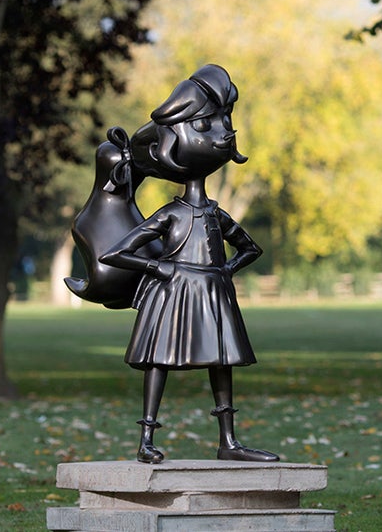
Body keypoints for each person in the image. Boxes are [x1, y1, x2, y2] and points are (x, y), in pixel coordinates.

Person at [68, 64, 277, 464]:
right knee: (160, 359)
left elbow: (250, 248)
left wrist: (225, 272)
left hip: (211, 291)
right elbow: (117, 252)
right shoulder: (172, 215)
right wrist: (159, 269)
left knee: (222, 359)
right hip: (175, 292)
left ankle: (228, 441)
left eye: (223, 122)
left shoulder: (215, 214)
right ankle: (146, 439)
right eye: (205, 125)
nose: (224, 134)